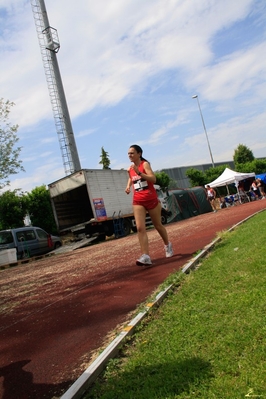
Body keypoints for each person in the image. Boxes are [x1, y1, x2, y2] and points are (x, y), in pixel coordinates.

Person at [125, 144, 173, 266]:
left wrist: (140, 173)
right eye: (128, 153)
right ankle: (146, 256)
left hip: (151, 199)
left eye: (132, 153)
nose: (129, 155)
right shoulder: (130, 168)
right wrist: (128, 186)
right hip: (138, 200)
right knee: (140, 228)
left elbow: (153, 179)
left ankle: (167, 245)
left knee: (158, 225)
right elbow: (131, 178)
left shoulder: (145, 164)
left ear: (139, 154)